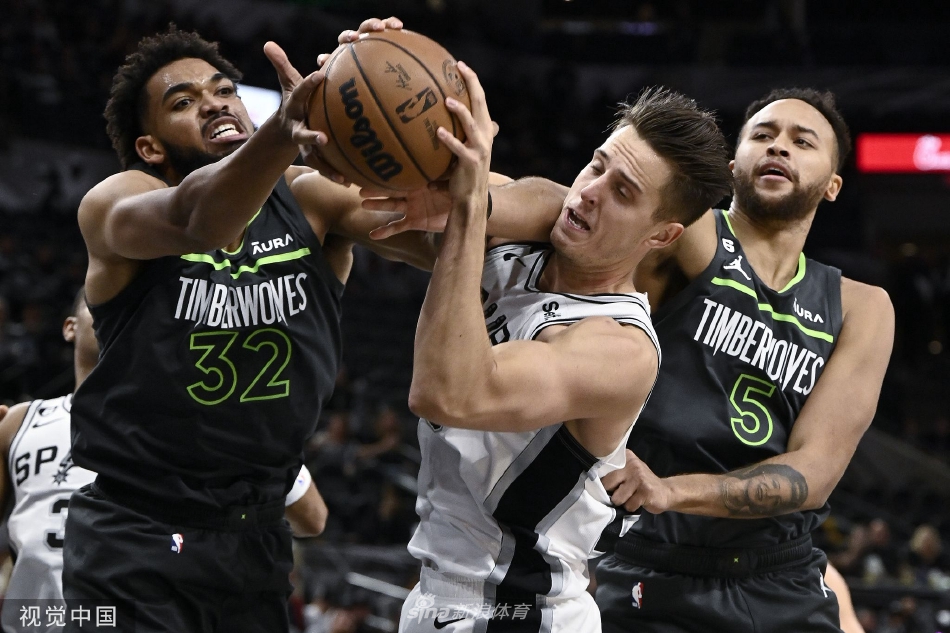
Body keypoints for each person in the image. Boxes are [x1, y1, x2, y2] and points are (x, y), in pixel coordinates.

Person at [367, 87, 894, 631]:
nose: (779, 146)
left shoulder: (861, 306)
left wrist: (672, 490)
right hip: (653, 560)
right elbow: (568, 204)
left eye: (802, 142)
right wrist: (476, 202)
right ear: (734, 163)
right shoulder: (692, 236)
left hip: (778, 570)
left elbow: (816, 470)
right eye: (763, 134)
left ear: (833, 184)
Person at [63, 22, 434, 633]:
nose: (213, 104)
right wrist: (283, 133)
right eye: (183, 102)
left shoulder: (309, 196)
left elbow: (444, 236)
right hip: (136, 534)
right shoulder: (118, 201)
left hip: (255, 533)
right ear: (151, 146)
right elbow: (201, 221)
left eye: (223, 90)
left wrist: (451, 144)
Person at [396, 61, 733, 630]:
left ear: (662, 234)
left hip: (520, 611)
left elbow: (445, 393)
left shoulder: (620, 349)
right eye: (596, 165)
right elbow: (357, 199)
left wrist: (470, 209)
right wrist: (325, 108)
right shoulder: (531, 235)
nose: (590, 192)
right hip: (440, 595)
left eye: (623, 192)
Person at [0, 289, 329, 632]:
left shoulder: (201, 420)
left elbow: (312, 518)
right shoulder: (19, 423)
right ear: (70, 327)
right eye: (100, 305)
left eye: (132, 307)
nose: (116, 313)